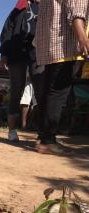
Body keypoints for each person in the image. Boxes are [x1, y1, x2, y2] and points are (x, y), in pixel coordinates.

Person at [34, 0, 89, 154]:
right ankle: (48, 141)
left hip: (50, 44)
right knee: (58, 93)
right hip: (67, 45)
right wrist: (83, 39)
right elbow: (76, 12)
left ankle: (43, 138)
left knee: (49, 92)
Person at [0, 0, 41, 142]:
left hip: (38, 53)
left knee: (41, 90)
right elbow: (7, 32)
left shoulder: (46, 7)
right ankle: (12, 130)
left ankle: (45, 134)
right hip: (16, 52)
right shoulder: (18, 9)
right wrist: (3, 55)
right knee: (16, 90)